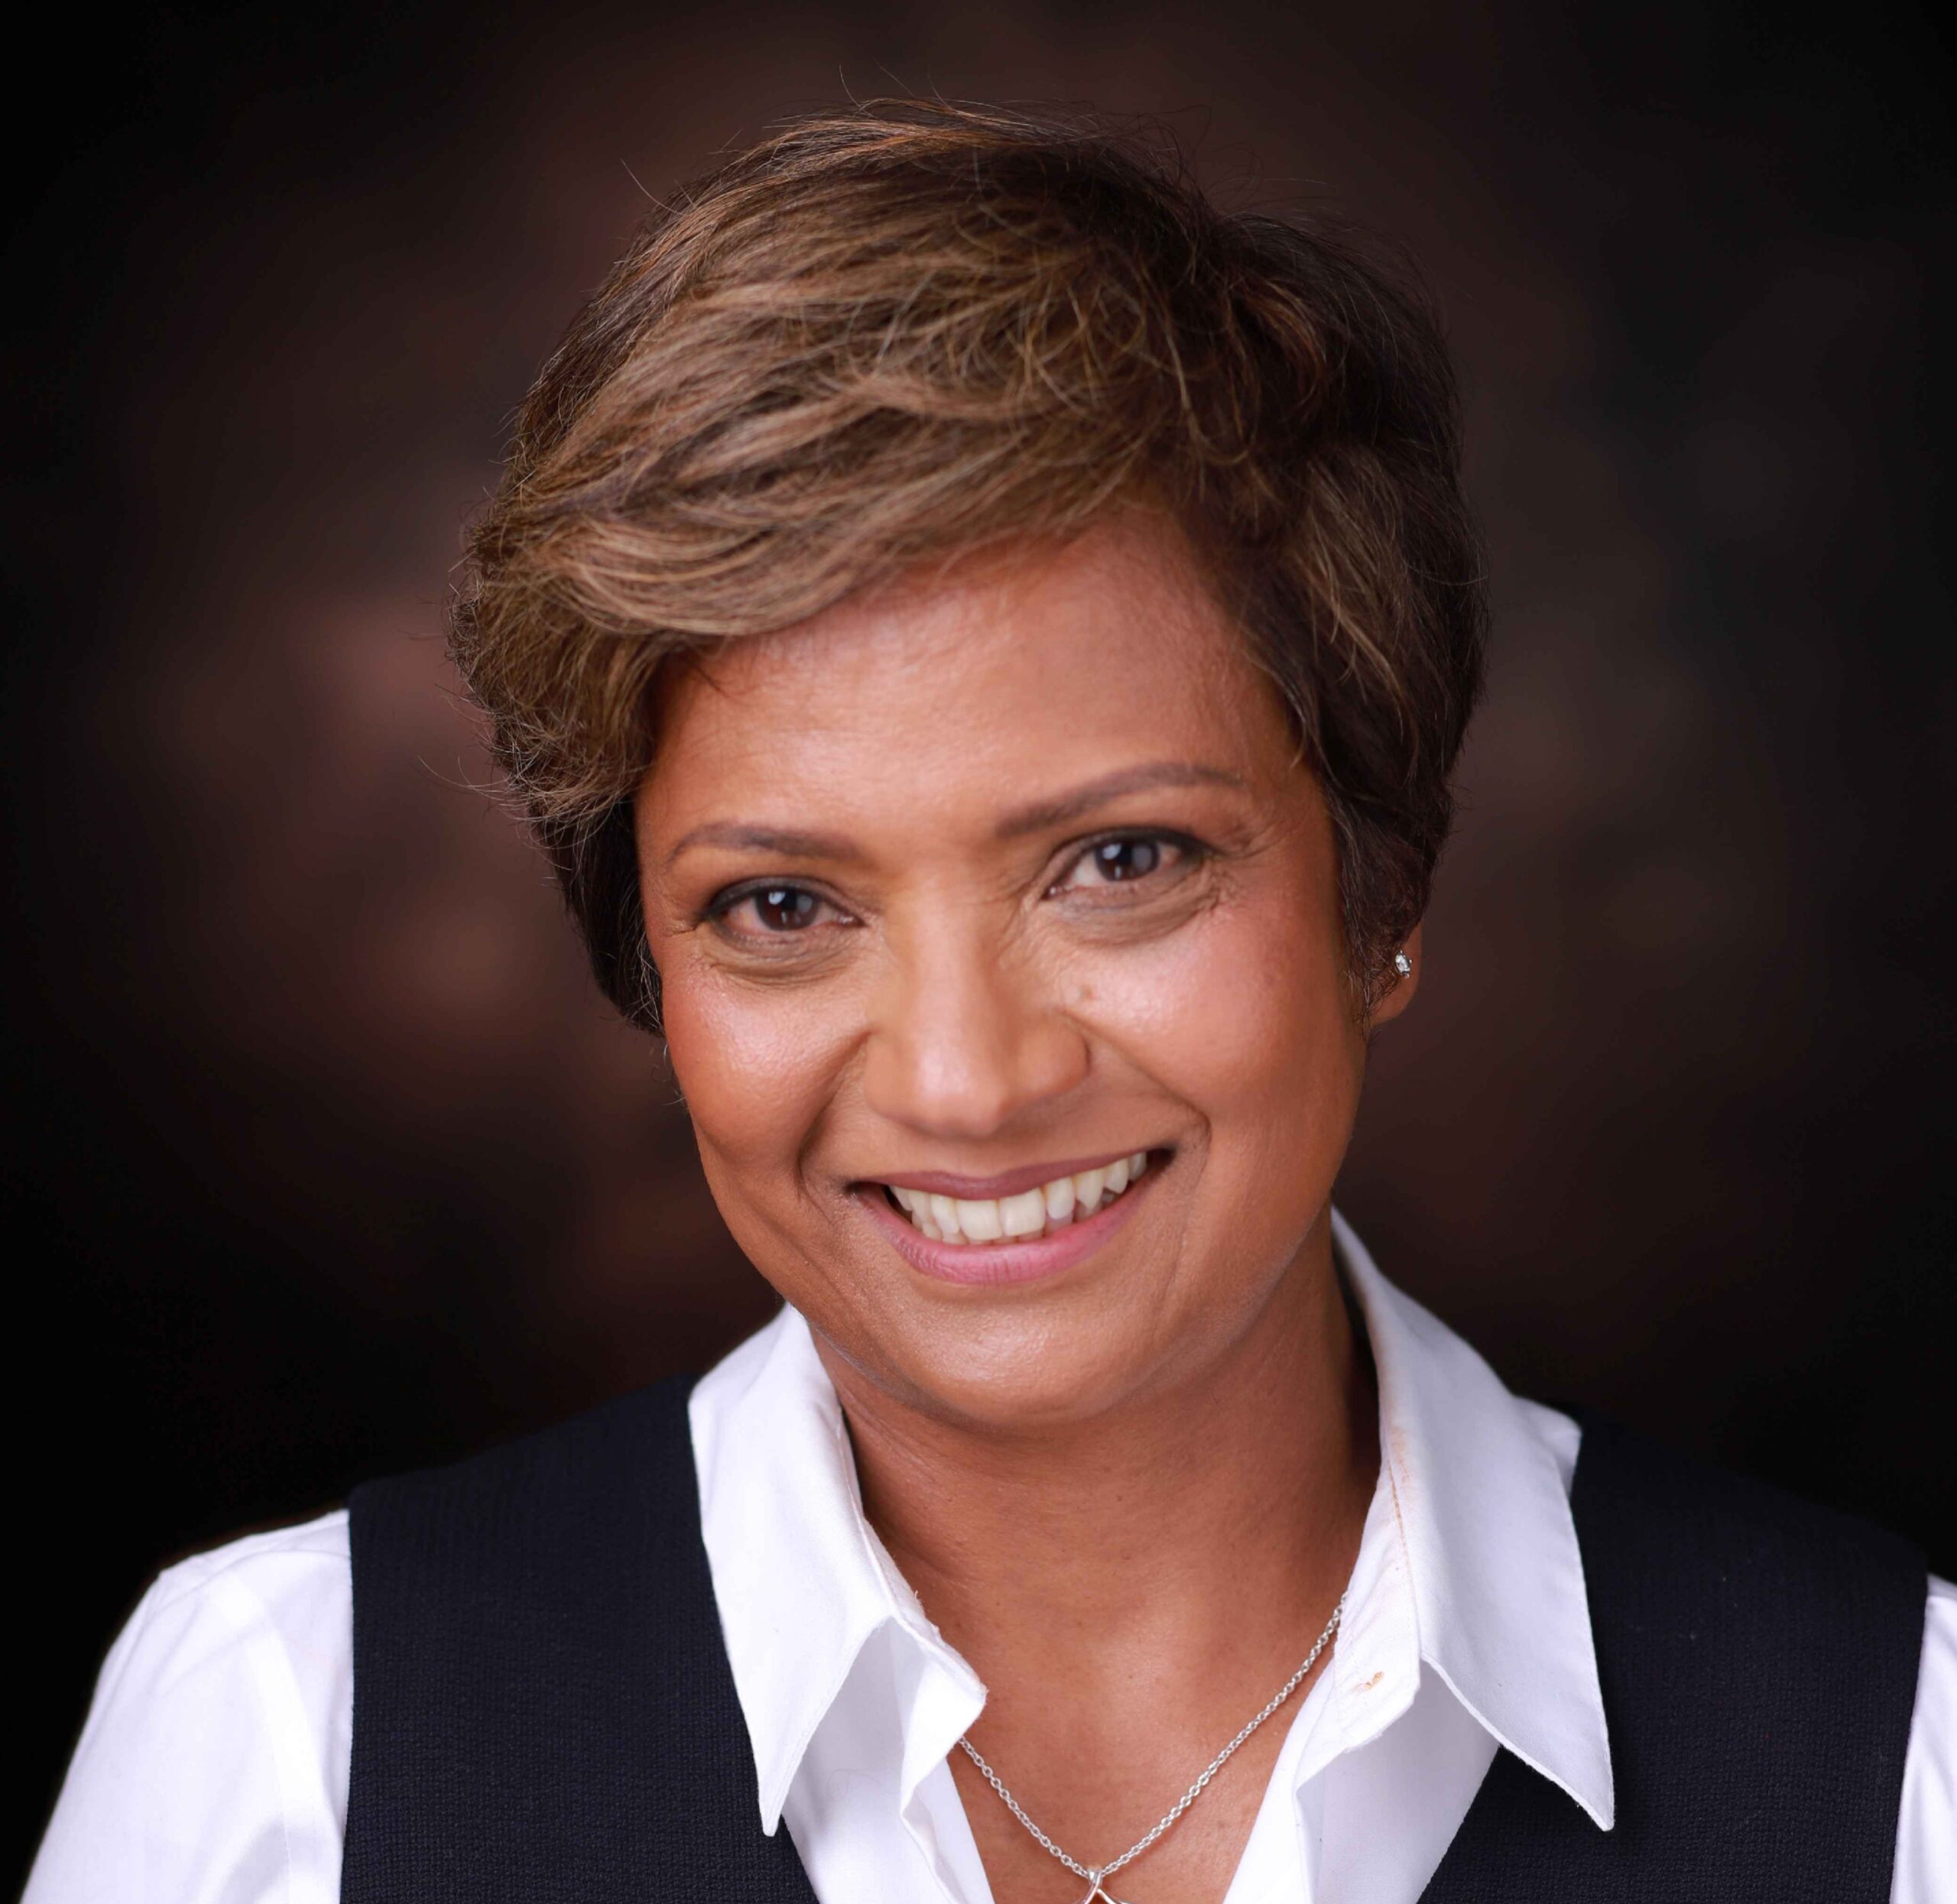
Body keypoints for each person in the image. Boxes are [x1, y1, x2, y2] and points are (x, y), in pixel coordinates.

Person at [25, 101, 1952, 1904]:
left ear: (1381, 887)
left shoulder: (1905, 1770)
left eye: (1118, 862)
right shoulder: (289, 1739)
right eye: (781, 902)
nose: (964, 1078)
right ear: (647, 963)